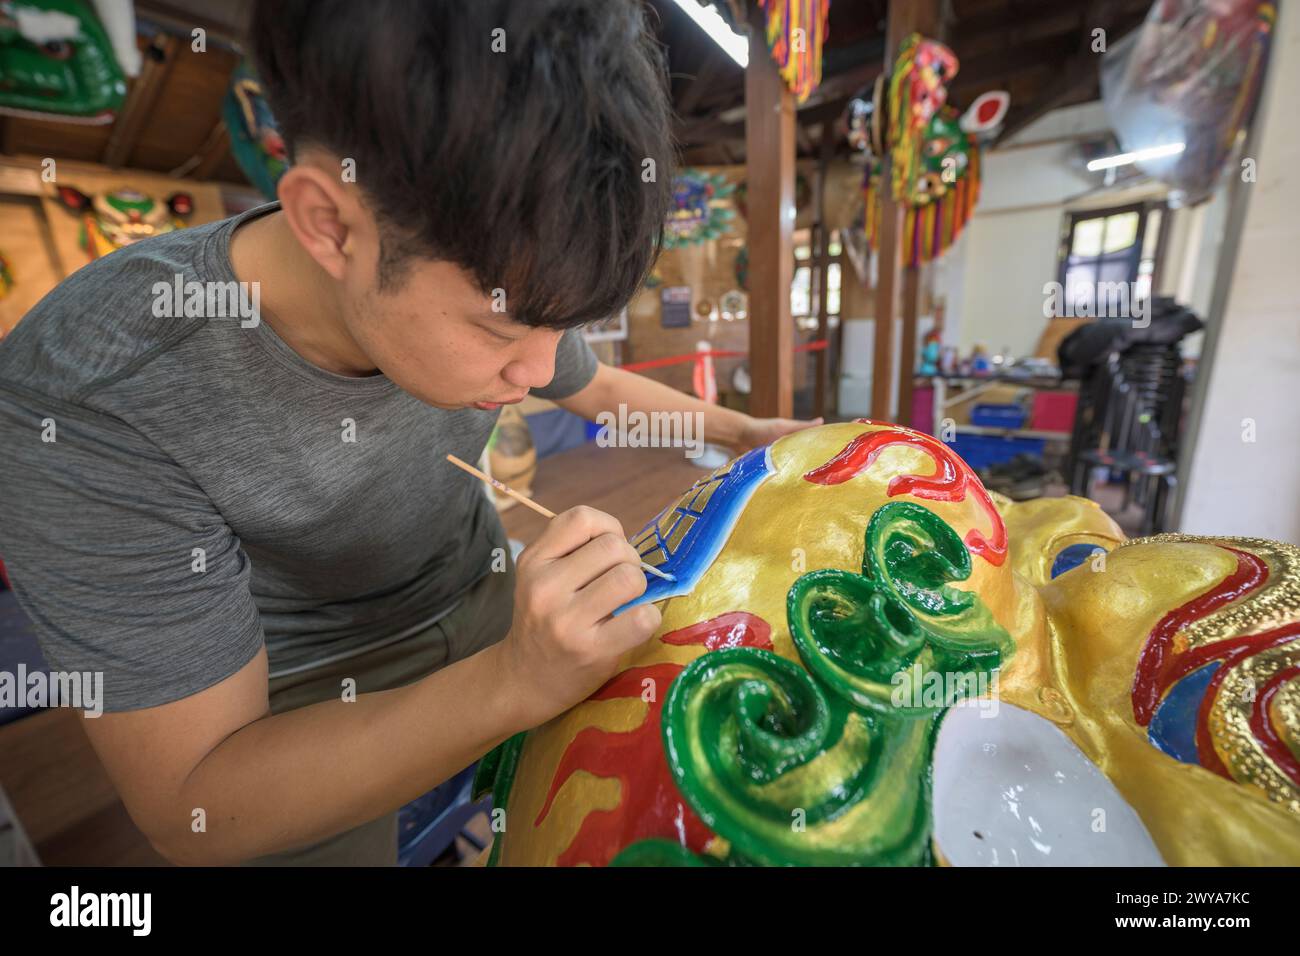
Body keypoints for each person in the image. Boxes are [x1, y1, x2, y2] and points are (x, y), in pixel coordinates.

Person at [0, 0, 814, 865]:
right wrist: (511, 685)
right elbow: (194, 799)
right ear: (329, 224)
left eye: (556, 329)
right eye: (501, 336)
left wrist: (743, 430)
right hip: (290, 709)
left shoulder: (502, 270)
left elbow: (591, 380)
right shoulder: (91, 397)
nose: (537, 376)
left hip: (483, 592)